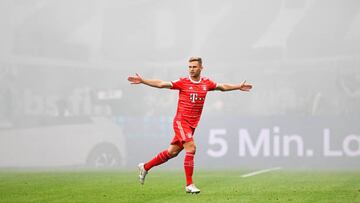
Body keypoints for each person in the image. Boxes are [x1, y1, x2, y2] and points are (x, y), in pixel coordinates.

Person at [127, 57, 253, 194]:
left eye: (194, 67)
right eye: (189, 67)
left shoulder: (206, 83)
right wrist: (143, 80)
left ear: (201, 68)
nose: (191, 69)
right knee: (191, 148)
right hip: (181, 122)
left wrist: (238, 87)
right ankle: (189, 184)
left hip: (192, 125)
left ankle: (145, 167)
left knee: (172, 152)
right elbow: (162, 84)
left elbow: (222, 87)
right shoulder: (183, 82)